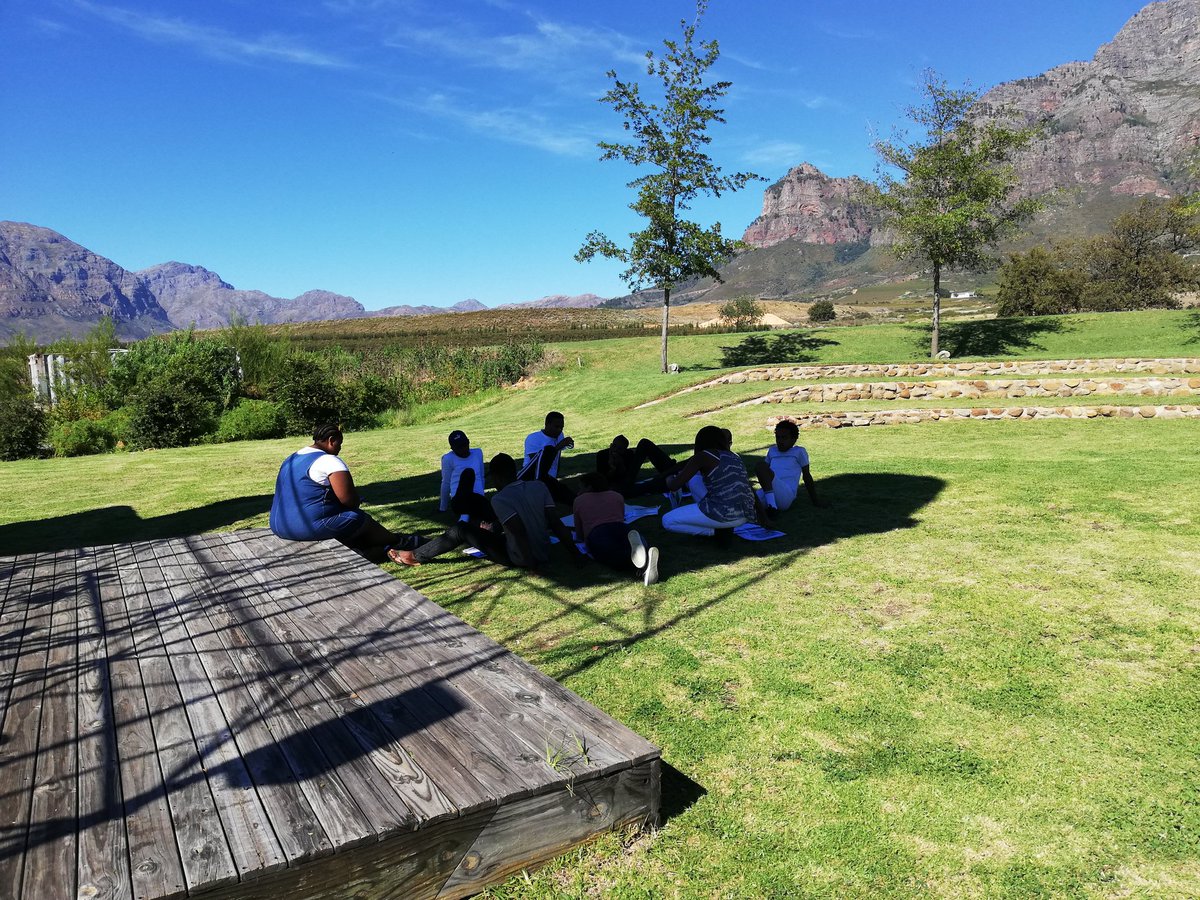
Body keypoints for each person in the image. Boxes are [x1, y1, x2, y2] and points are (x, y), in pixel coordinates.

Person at [394, 453, 582, 570]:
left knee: (460, 530)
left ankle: (415, 556)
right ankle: (416, 554)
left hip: (520, 557)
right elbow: (555, 523)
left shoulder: (500, 499)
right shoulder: (538, 486)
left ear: (497, 477)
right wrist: (576, 554)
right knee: (483, 527)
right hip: (543, 550)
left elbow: (518, 532)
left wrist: (532, 566)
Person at [270, 423, 420, 562]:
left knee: (341, 520)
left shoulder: (291, 458)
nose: (340, 449)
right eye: (339, 444)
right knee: (357, 518)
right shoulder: (329, 461)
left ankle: (382, 545)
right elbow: (349, 501)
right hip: (305, 528)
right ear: (331, 440)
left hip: (279, 526)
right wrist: (355, 500)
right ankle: (397, 541)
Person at [661, 425, 757, 538]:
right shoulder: (734, 456)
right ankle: (720, 528)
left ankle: (715, 532)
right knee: (695, 479)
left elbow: (674, 485)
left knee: (667, 520)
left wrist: (668, 477)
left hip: (724, 513)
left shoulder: (703, 456)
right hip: (745, 513)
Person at [572, 472, 660, 585]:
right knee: (628, 543)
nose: (578, 491)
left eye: (581, 488)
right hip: (621, 527)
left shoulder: (580, 500)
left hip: (597, 532)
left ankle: (635, 559)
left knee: (613, 557)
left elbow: (579, 532)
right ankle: (645, 557)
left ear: (589, 487)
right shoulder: (616, 496)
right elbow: (621, 517)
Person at [755, 419, 825, 513]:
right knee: (746, 497)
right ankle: (769, 506)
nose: (780, 441)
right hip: (768, 491)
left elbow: (807, 476)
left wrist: (815, 501)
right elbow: (764, 475)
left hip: (785, 495)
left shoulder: (799, 452)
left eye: (784, 438)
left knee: (761, 466)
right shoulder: (772, 451)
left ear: (794, 439)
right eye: (778, 437)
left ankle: (772, 507)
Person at [595, 435, 682, 499]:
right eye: (614, 446)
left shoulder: (628, 454)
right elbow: (603, 480)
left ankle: (670, 468)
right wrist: (612, 469)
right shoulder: (602, 455)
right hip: (616, 486)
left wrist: (620, 464)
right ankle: (671, 470)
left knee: (644, 443)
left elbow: (628, 475)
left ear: (624, 450)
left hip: (627, 479)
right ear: (611, 445)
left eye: (620, 449)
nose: (616, 450)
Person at [520, 411, 575, 505]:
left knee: (566, 497)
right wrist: (558, 446)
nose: (559, 430)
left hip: (549, 478)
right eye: (556, 427)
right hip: (533, 478)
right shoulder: (533, 438)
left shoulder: (559, 435)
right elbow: (537, 463)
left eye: (561, 427)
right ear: (547, 424)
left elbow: (557, 459)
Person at [439, 429, 492, 523]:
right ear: (452, 448)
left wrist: (482, 494)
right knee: (467, 475)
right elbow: (446, 483)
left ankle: (466, 518)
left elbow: (481, 476)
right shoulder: (448, 459)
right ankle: (465, 517)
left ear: (468, 442)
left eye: (464, 445)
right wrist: (443, 507)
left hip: (477, 496)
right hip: (459, 498)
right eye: (459, 447)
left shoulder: (477, 453)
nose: (463, 449)